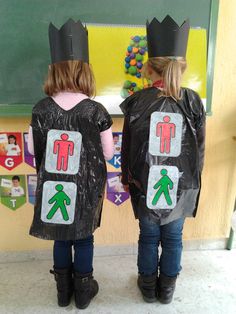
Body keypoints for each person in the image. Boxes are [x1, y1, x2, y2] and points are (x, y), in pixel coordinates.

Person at [28, 19, 114, 309]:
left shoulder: (41, 108)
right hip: (87, 188)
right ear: (86, 72)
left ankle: (62, 291)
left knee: (61, 237)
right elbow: (108, 152)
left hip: (55, 183)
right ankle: (84, 290)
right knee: (84, 238)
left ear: (54, 70)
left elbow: (32, 150)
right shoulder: (96, 110)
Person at [120, 15, 205, 304]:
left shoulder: (137, 100)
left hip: (146, 185)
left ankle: (147, 287)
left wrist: (127, 179)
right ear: (181, 66)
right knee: (173, 238)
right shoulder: (193, 101)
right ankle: (166, 290)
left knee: (148, 237)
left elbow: (129, 148)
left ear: (149, 67)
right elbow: (199, 150)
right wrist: (193, 183)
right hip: (179, 187)